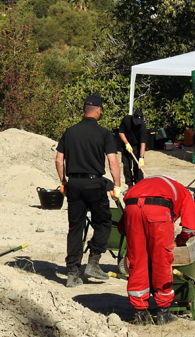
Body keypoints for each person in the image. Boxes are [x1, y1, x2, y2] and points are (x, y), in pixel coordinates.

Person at [55, 94, 122, 288]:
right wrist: (117, 185)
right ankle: (93, 262)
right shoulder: (104, 134)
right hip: (94, 184)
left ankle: (72, 273)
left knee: (75, 227)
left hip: (74, 184)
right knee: (104, 222)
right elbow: (112, 161)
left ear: (84, 110)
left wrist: (63, 182)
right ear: (99, 110)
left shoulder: (70, 132)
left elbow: (59, 160)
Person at [122, 175, 195, 326]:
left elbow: (123, 227)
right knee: (161, 260)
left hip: (131, 209)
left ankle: (140, 314)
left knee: (137, 261)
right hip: (158, 213)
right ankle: (163, 312)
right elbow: (189, 227)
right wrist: (181, 240)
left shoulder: (144, 184)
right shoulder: (184, 192)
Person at [118, 109, 147, 188]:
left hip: (137, 146)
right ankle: (130, 185)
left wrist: (141, 157)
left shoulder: (142, 126)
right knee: (127, 166)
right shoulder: (126, 120)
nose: (137, 123)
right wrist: (126, 143)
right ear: (133, 117)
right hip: (126, 144)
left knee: (138, 166)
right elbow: (121, 132)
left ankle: (139, 186)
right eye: (136, 121)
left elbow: (143, 143)